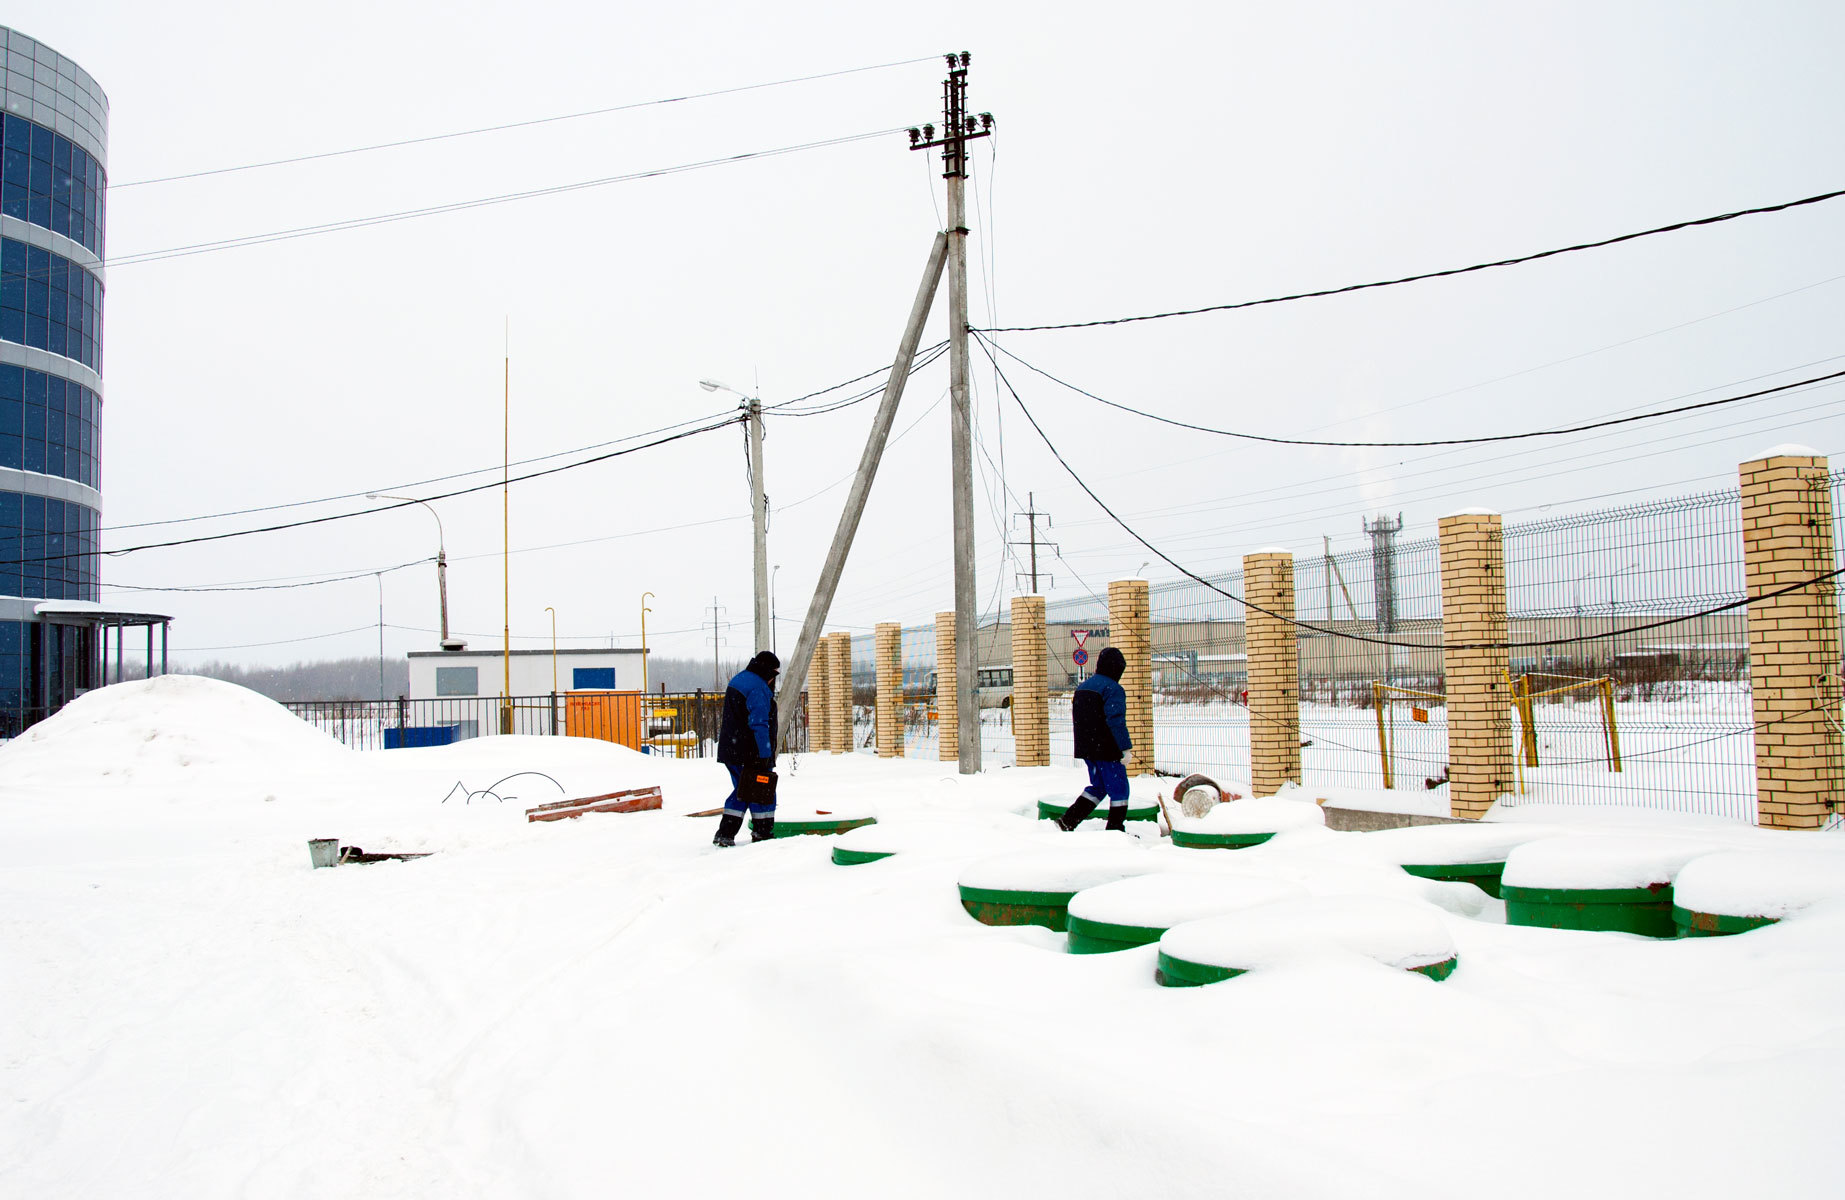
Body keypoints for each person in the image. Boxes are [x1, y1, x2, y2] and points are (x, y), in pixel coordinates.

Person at [1060, 645, 1133, 831]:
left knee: (1099, 786)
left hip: (1087, 748)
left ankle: (1068, 821)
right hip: (1107, 749)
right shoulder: (1113, 689)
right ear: (1117, 668)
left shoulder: (1083, 687)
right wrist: (1124, 748)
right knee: (1120, 789)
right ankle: (1115, 830)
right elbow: (1116, 720)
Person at [714, 650, 780, 847]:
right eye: (774, 675)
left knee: (744, 790)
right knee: (759, 789)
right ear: (768, 672)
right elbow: (759, 724)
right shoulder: (758, 688)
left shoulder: (740, 679)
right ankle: (761, 832)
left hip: (732, 750)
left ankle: (726, 834)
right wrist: (765, 754)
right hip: (750, 752)